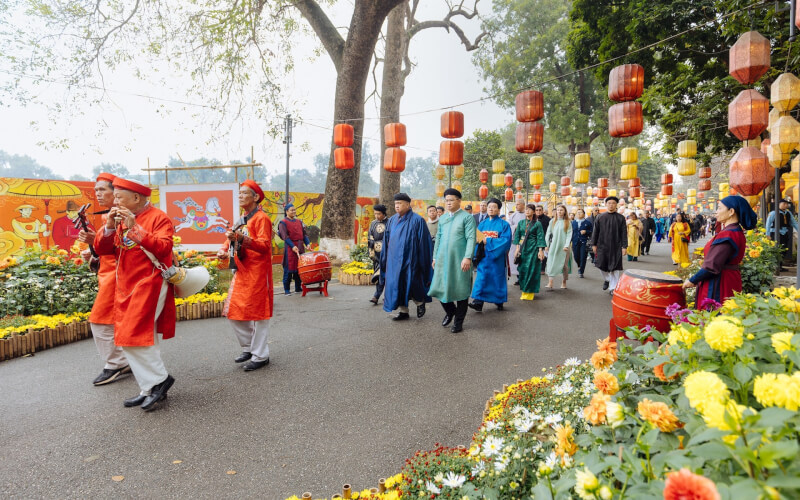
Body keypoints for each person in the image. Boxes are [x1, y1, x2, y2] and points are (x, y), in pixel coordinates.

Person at [94, 178, 176, 411]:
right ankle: (149, 388)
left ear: (137, 198)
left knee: (134, 335)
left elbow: (163, 248)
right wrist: (109, 227)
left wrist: (134, 228)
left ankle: (159, 381)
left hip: (150, 284)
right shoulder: (119, 218)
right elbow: (103, 250)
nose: (114, 201)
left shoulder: (159, 218)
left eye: (119, 197)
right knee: (133, 336)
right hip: (126, 287)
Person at [77, 172, 129, 386]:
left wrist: (97, 241)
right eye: (96, 190)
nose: (97, 194)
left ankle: (115, 363)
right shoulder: (107, 215)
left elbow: (129, 245)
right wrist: (93, 252)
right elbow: (105, 249)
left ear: (115, 191)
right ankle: (124, 361)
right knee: (114, 320)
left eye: (102, 190)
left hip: (119, 275)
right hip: (108, 274)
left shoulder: (123, 215)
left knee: (99, 320)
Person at [217, 179, 273, 372]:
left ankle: (260, 355)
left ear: (256, 197)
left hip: (258, 271)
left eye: (244, 193)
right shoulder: (242, 218)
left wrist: (242, 238)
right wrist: (223, 249)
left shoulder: (261, 219)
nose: (239, 196)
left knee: (259, 314)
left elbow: (265, 246)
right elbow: (230, 237)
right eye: (239, 193)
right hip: (242, 270)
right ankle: (249, 348)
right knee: (234, 311)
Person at [683, 196, 757, 306]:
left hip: (720, 282)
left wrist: (692, 280)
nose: (716, 212)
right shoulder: (734, 231)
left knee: (715, 316)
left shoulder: (728, 234)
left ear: (731, 211)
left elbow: (711, 266)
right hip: (729, 278)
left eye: (719, 208)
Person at [429, 188, 476, 333]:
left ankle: (458, 322)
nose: (448, 203)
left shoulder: (467, 217)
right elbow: (439, 239)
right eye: (446, 200)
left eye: (451, 200)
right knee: (439, 288)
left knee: (461, 291)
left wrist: (467, 257)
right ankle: (450, 312)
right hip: (443, 259)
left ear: (459, 201)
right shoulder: (442, 218)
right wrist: (435, 256)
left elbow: (471, 238)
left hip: (460, 260)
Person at [380, 193, 433, 321]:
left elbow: (424, 243)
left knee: (412, 283)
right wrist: (384, 258)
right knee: (397, 284)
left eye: (400, 203)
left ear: (408, 205)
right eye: (395, 204)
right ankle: (403, 311)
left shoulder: (417, 220)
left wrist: (424, 262)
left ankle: (420, 303)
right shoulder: (392, 220)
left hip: (411, 260)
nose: (397, 206)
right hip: (394, 260)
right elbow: (386, 241)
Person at [469, 198, 512, 312]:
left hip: (496, 258)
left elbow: (506, 241)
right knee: (481, 278)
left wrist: (488, 240)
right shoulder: (482, 224)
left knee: (496, 279)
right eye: (489, 207)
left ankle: (499, 301)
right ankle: (478, 302)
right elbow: (476, 238)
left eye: (494, 207)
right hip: (483, 257)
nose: (491, 209)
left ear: (498, 210)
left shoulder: (504, 225)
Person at [590, 196, 628, 294]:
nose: (611, 205)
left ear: (616, 205)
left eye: (613, 203)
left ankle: (613, 288)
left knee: (615, 267)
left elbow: (624, 233)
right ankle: (607, 279)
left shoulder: (620, 218)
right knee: (601, 265)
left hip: (616, 246)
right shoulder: (600, 217)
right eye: (609, 203)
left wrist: (624, 246)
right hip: (602, 245)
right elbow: (595, 232)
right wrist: (593, 244)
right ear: (606, 204)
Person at [514, 204, 546, 300]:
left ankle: (529, 291)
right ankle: (524, 289)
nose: (527, 211)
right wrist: (517, 249)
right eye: (526, 209)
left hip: (533, 249)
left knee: (531, 270)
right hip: (523, 249)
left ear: (533, 211)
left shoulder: (537, 223)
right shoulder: (521, 223)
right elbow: (517, 236)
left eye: (529, 209)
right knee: (523, 269)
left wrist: (540, 250)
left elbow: (540, 237)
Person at [277, 203, 309, 295]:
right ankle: (287, 290)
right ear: (286, 211)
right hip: (290, 247)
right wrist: (292, 246)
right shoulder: (283, 223)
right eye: (292, 210)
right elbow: (285, 236)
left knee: (299, 268)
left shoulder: (299, 222)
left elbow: (304, 234)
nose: (294, 211)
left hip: (300, 246)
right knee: (289, 269)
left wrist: (307, 244)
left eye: (294, 210)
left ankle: (298, 288)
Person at [544, 204, 573, 290]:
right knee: (551, 262)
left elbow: (569, 234)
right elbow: (548, 233)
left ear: (564, 212)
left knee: (565, 265)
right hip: (554, 245)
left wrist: (566, 245)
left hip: (564, 247)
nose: (559, 211)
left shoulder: (568, 222)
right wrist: (546, 245)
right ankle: (550, 282)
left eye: (561, 210)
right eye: (558, 210)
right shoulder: (552, 221)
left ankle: (564, 282)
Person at [766, 198, 799, 268]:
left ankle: (780, 266)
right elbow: (768, 224)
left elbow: (794, 223)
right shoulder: (773, 213)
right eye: (784, 204)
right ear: (778, 204)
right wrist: (767, 234)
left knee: (784, 249)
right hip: (775, 233)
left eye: (786, 204)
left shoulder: (788, 213)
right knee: (776, 250)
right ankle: (775, 267)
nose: (785, 205)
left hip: (784, 233)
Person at [368, 204, 388, 305]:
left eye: (379, 214)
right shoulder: (373, 223)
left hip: (387, 253)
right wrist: (371, 252)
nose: (376, 216)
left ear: (384, 213)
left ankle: (384, 296)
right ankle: (376, 295)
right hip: (376, 254)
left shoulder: (390, 223)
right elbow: (370, 237)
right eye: (375, 214)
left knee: (387, 275)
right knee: (378, 275)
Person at [506, 199, 527, 285]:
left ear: (523, 205)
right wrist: (515, 226)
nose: (516, 206)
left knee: (524, 259)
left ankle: (524, 278)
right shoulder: (514, 215)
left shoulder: (527, 214)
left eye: (518, 204)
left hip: (525, 240)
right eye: (516, 204)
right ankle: (519, 278)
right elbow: (508, 225)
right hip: (515, 240)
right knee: (515, 258)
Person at [571, 208, 592, 278]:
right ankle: (579, 265)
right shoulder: (573, 222)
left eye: (580, 212)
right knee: (576, 256)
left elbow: (592, 232)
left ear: (584, 214)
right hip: (575, 241)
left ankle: (581, 271)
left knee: (583, 257)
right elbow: (571, 232)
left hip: (584, 242)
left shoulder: (588, 223)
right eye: (578, 212)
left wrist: (586, 232)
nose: (579, 214)